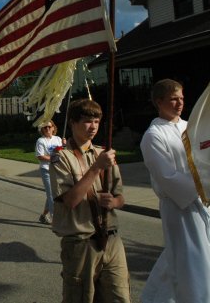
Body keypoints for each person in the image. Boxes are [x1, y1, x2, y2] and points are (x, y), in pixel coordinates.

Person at [49, 98, 130, 303]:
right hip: (81, 243)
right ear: (73, 123)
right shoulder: (62, 157)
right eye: (87, 121)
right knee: (81, 297)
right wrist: (96, 168)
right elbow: (70, 201)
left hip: (111, 240)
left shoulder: (104, 153)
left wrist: (114, 202)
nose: (93, 126)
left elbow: (120, 197)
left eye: (96, 121)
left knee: (120, 297)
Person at [140, 79, 210, 303]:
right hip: (179, 206)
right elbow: (167, 176)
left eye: (181, 97)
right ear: (159, 102)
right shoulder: (153, 136)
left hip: (203, 200)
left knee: (186, 260)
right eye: (173, 99)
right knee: (191, 263)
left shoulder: (191, 127)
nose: (179, 103)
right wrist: (202, 184)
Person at [35, 120, 65, 225]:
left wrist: (64, 145)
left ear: (53, 128)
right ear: (42, 130)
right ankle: (55, 220)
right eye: (45, 127)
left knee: (51, 194)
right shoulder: (41, 141)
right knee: (52, 195)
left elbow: (62, 153)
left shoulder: (58, 139)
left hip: (57, 170)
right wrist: (54, 159)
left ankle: (43, 216)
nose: (47, 129)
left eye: (49, 127)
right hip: (46, 170)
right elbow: (40, 156)